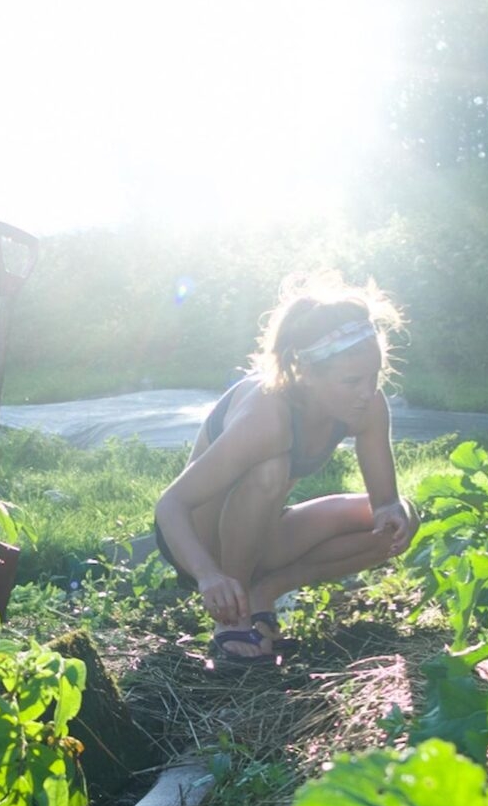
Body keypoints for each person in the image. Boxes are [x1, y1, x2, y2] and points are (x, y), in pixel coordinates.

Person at [154, 274, 419, 665]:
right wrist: (209, 574)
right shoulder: (268, 416)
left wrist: (392, 510)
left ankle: (266, 590)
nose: (367, 391)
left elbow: (384, 503)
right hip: (198, 540)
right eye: (352, 381)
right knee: (269, 471)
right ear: (306, 374)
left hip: (258, 533)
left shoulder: (367, 406)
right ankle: (234, 616)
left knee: (398, 524)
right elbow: (171, 504)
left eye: (373, 376)